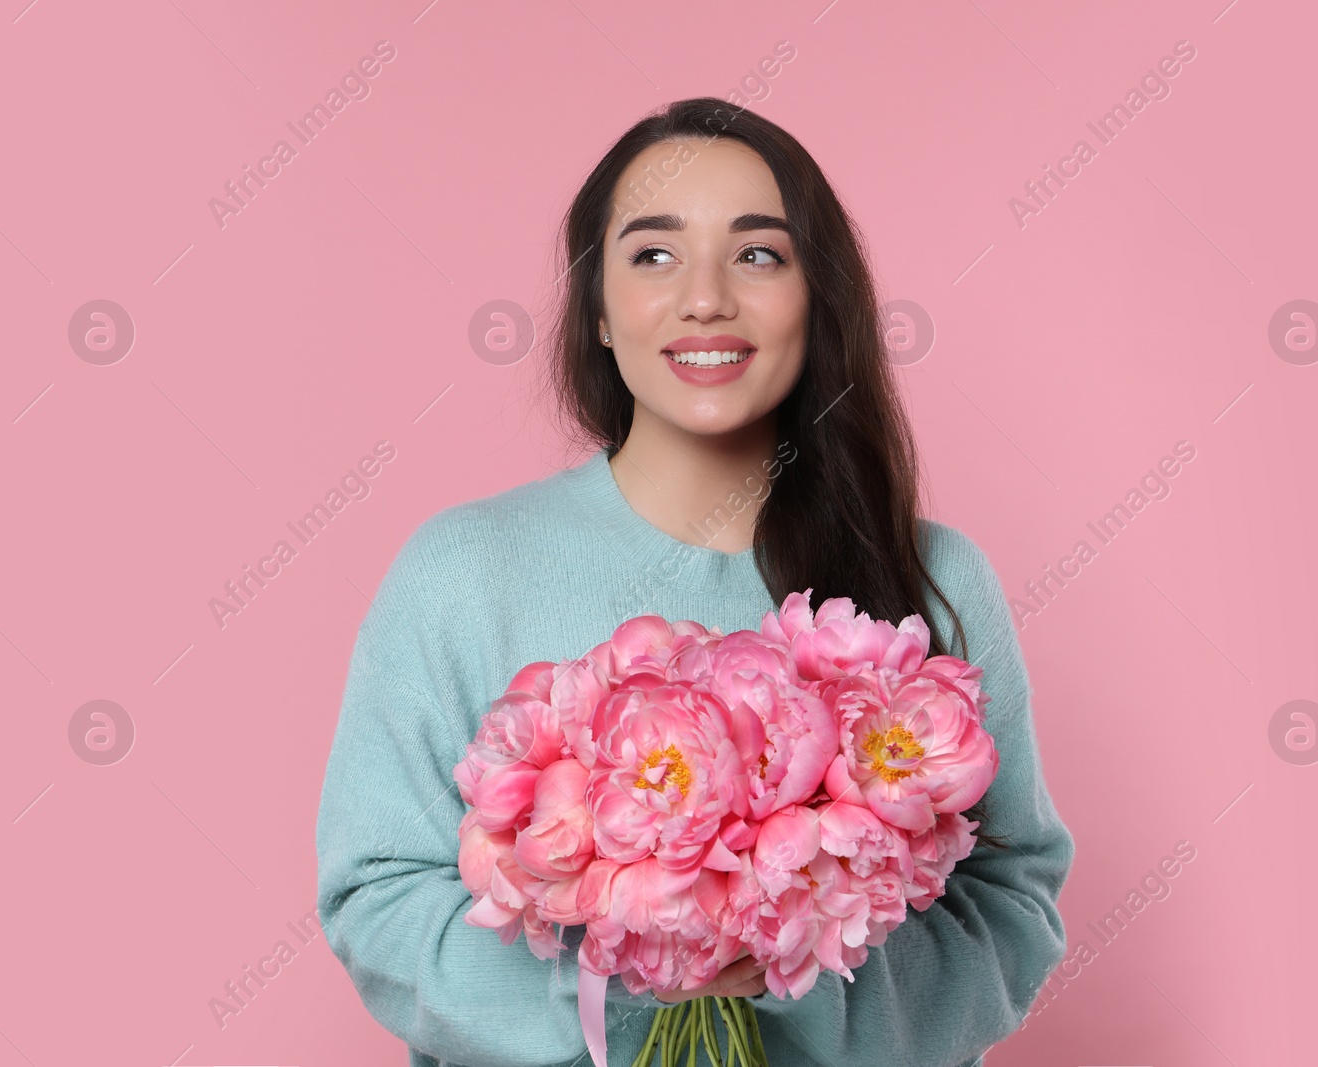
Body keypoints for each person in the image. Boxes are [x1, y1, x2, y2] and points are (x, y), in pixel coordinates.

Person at [315, 97, 1074, 1067]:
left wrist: (789, 968)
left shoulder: (933, 579)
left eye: (758, 254)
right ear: (596, 307)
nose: (706, 297)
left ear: (817, 296)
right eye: (654, 254)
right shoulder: (461, 572)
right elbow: (376, 890)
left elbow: (1009, 897)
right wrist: (628, 983)